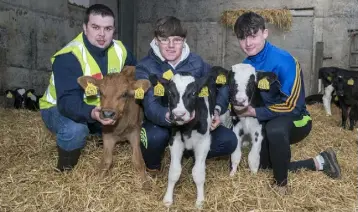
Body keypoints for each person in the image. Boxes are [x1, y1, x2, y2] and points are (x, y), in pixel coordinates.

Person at [232, 12, 341, 194]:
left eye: (253, 36)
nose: (248, 43)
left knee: (275, 128)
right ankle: (321, 161)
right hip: (267, 123)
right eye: (242, 38)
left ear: (265, 33)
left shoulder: (285, 61)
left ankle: (281, 186)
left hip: (296, 120)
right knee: (263, 166)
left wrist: (254, 113)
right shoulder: (245, 65)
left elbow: (293, 106)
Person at [39, 4, 137, 172]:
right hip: (58, 108)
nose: (102, 34)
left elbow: (137, 71)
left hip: (103, 107)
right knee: (76, 129)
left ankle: (99, 132)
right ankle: (65, 169)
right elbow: (67, 102)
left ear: (113, 30)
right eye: (95, 27)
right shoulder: (69, 57)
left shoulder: (121, 50)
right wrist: (92, 113)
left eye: (108, 28)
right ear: (85, 28)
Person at [135, 16, 238, 175]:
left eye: (176, 40)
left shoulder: (196, 63)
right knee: (153, 137)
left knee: (229, 140)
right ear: (156, 40)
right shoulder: (145, 66)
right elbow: (150, 106)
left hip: (193, 123)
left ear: (184, 40)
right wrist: (171, 116)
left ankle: (189, 154)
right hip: (163, 123)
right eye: (164, 39)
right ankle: (153, 167)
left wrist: (216, 110)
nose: (170, 46)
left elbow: (222, 82)